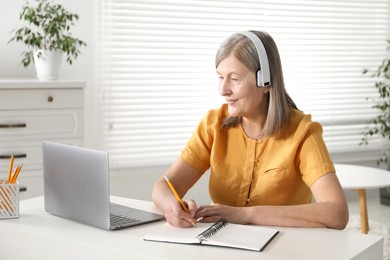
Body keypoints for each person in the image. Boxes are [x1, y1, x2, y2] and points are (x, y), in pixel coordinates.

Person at [152, 30, 349, 230]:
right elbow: (164, 186)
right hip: (220, 241)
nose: (223, 90)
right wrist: (173, 207)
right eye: (221, 77)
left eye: (234, 78)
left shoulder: (303, 133)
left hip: (284, 247)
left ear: (265, 82)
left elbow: (337, 213)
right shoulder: (213, 124)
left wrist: (246, 214)